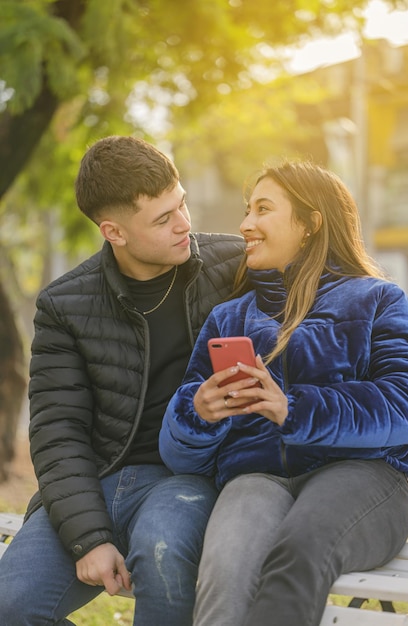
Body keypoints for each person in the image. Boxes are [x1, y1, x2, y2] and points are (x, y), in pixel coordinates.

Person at [159, 159, 408, 626]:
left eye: (263, 209)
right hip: (255, 478)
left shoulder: (378, 299)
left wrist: (293, 408)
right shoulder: (229, 319)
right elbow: (181, 458)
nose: (245, 225)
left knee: (299, 551)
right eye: (246, 210)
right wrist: (197, 414)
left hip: (362, 476)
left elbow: (407, 404)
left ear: (310, 223)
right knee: (224, 574)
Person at [0, 135, 244, 626]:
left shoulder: (234, 266)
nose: (184, 225)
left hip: (189, 478)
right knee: (10, 606)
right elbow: (58, 432)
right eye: (162, 219)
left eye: (182, 205)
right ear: (114, 231)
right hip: (97, 478)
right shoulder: (64, 305)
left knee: (163, 553)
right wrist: (89, 536)